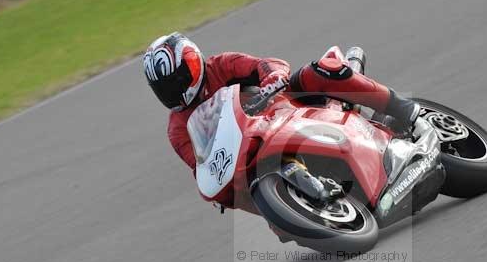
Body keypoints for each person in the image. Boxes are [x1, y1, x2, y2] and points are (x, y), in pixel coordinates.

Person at [143, 32, 420, 174]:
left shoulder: (222, 65)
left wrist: (272, 77)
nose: (174, 92)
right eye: (164, 88)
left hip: (287, 109)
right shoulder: (178, 128)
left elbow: (266, 64)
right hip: (255, 150)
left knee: (321, 70)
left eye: (176, 80)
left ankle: (406, 110)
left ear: (191, 63)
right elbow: (200, 167)